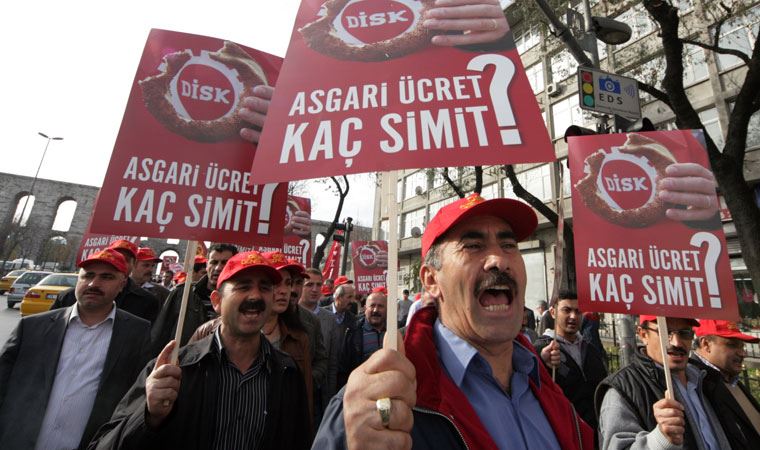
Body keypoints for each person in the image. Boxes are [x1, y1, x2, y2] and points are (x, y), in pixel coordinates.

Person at [314, 193, 593, 449]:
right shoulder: (375, 406)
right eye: (473, 246)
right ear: (431, 280)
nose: (498, 259)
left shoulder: (548, 384)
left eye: (508, 245)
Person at [90, 251, 311, 450]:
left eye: (264, 288)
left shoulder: (287, 372)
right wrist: (149, 416)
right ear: (216, 301)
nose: (255, 296)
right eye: (243, 286)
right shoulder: (174, 369)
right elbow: (104, 444)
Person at [0, 248, 151, 449]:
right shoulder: (32, 327)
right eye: (88, 275)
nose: (93, 284)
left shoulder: (137, 333)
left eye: (106, 277)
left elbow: (134, 398)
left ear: (122, 284)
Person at [596, 315, 730, 450]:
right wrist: (660, 439)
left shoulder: (707, 379)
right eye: (665, 332)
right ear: (643, 335)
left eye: (685, 333)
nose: (676, 342)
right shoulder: (623, 390)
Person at [534, 293, 607, 434]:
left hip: (596, 433)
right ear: (553, 312)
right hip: (562, 432)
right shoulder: (541, 349)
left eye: (578, 311)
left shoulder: (590, 349)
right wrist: (540, 361)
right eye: (566, 310)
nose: (573, 316)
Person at [150, 244, 236, 355]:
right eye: (214, 262)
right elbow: (158, 335)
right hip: (179, 365)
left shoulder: (239, 299)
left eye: (224, 263)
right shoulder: (182, 293)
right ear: (207, 265)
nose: (218, 268)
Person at [52, 239, 159, 324]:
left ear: (134, 263)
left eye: (125, 259)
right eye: (89, 275)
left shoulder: (147, 301)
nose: (93, 284)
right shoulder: (67, 297)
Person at [691, 319, 760, 449]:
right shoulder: (694, 384)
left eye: (742, 346)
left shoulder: (728, 378)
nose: (742, 353)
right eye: (732, 345)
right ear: (706, 344)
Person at [300, 268, 339, 423]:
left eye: (318, 284)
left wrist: (330, 396)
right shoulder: (288, 315)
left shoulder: (330, 319)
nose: (315, 289)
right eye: (309, 284)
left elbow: (332, 362)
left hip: (320, 396)